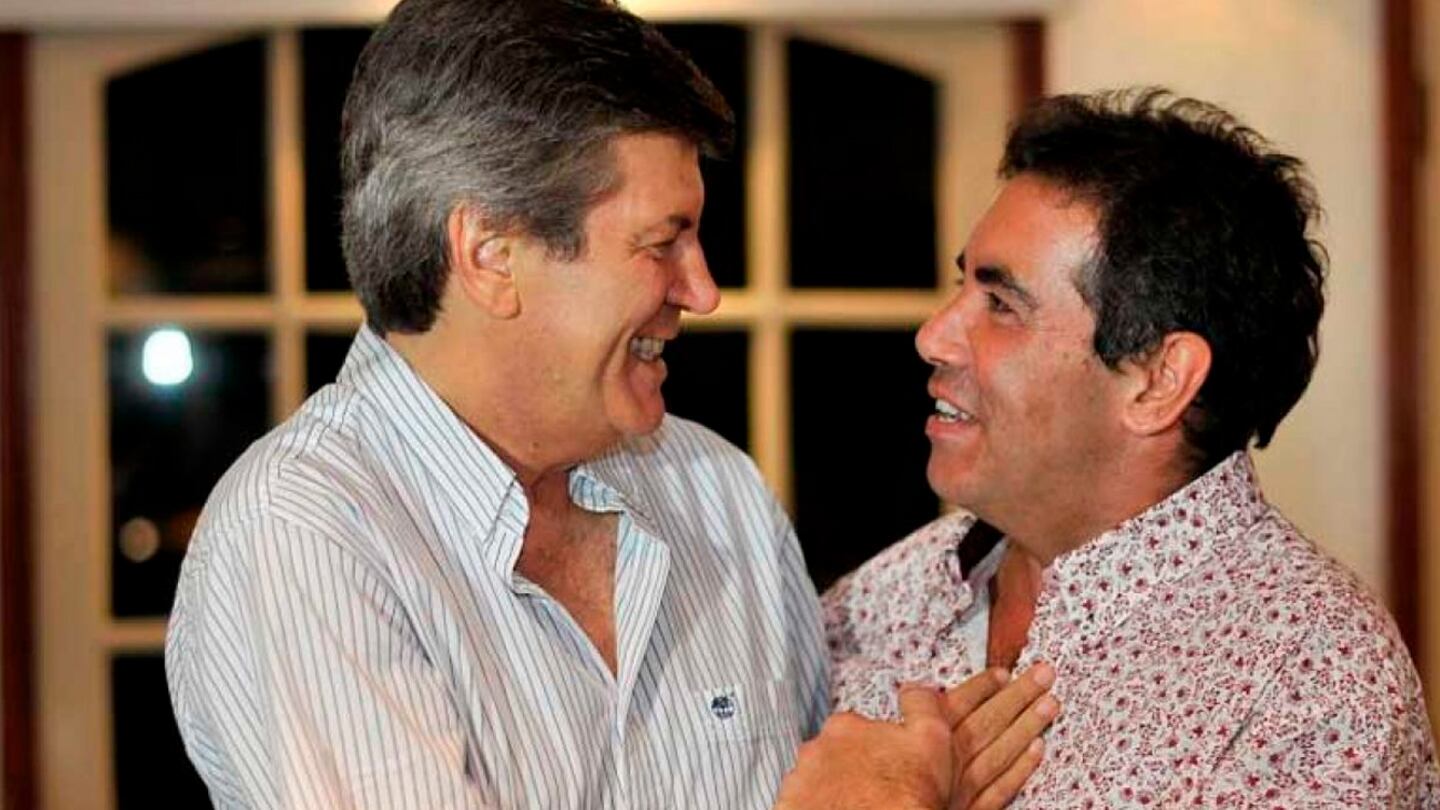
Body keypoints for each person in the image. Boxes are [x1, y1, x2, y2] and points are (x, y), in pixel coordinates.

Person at [164, 1, 835, 806]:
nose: (703, 290)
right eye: (662, 243)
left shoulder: (717, 491)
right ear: (489, 257)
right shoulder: (303, 531)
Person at [782, 89, 1440, 808]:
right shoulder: (889, 596)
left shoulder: (1309, 683)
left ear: (1159, 381)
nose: (933, 336)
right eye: (961, 287)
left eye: (1001, 305)